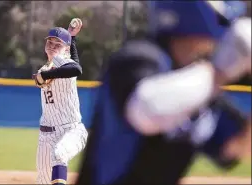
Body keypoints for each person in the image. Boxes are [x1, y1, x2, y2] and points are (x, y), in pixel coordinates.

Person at [76, 2, 251, 185]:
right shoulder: (138, 60)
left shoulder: (200, 85)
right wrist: (220, 73)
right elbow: (148, 109)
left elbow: (235, 146)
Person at [33, 18, 88, 185]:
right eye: (50, 42)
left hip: (70, 130)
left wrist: (72, 41)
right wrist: (70, 37)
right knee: (42, 179)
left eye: (58, 44)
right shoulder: (45, 68)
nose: (52, 46)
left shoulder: (62, 62)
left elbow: (76, 68)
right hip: (46, 135)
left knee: (60, 154)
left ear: (66, 49)